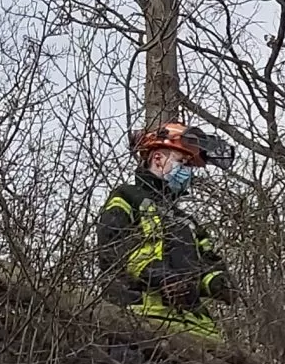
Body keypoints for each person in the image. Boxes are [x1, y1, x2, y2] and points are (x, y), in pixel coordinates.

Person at [98, 122, 238, 339]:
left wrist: (218, 282)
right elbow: (113, 249)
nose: (186, 172)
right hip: (141, 318)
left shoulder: (186, 222)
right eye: (182, 162)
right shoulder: (127, 197)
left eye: (190, 167)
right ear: (158, 158)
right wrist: (162, 277)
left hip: (194, 327)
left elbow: (205, 264)